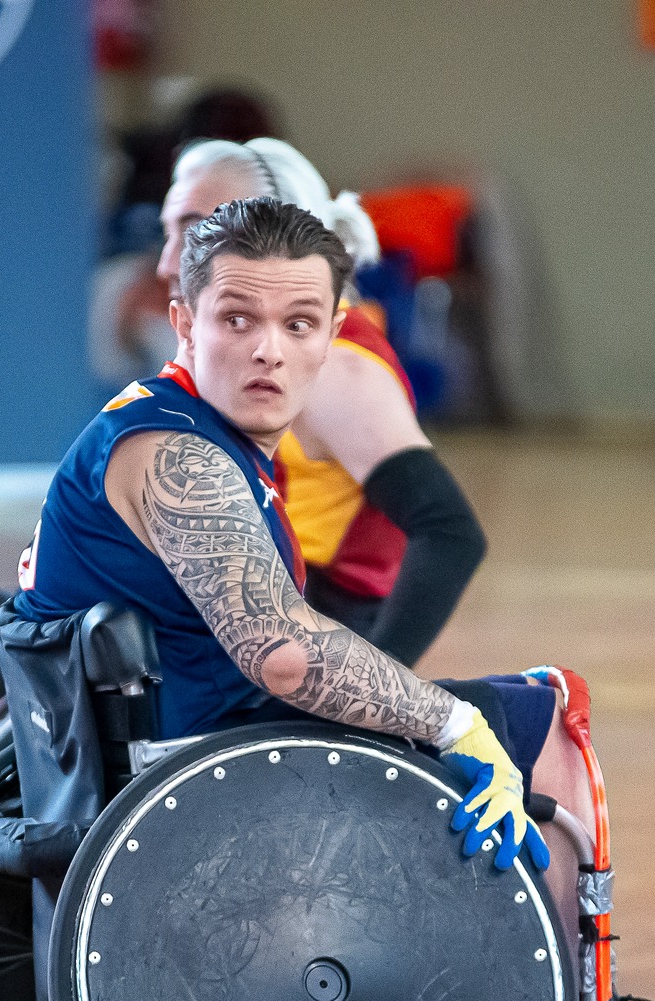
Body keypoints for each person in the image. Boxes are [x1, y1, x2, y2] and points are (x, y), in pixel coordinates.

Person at [15, 197, 655, 1001]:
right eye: (236, 318)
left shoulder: (176, 433)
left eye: (297, 322)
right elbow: (282, 654)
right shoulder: (181, 456)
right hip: (205, 788)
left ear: (333, 336)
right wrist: (445, 722)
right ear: (182, 324)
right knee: (539, 719)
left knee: (484, 713)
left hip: (179, 761)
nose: (268, 347)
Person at [153, 138, 485, 668]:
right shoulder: (253, 346)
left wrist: (380, 682)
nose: (168, 260)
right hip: (253, 611)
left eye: (194, 230)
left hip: (303, 627)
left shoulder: (333, 367)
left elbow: (450, 532)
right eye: (169, 231)